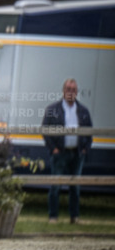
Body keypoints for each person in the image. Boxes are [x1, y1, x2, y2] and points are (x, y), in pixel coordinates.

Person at [41, 78, 93, 224]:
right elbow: (45, 130)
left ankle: (74, 217)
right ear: (63, 91)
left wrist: (84, 150)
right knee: (55, 186)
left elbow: (89, 132)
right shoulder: (53, 109)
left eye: (74, 90)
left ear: (77, 92)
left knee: (75, 187)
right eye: (68, 89)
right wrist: (54, 149)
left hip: (77, 153)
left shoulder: (83, 111)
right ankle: (53, 217)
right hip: (60, 153)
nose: (71, 92)